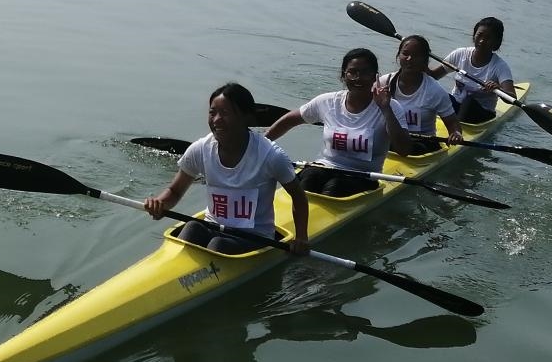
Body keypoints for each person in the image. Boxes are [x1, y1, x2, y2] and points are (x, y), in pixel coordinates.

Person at [144, 83, 310, 256]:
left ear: (246, 118)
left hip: (255, 237)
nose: (216, 120)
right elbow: (175, 191)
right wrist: (160, 204)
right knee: (192, 227)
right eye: (212, 112)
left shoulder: (271, 155)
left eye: (225, 113)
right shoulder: (200, 149)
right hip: (214, 227)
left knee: (218, 245)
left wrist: (301, 238)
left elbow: (298, 197)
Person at [265, 48, 411, 197]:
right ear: (343, 76)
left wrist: (385, 109)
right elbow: (290, 120)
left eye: (365, 72)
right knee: (308, 178)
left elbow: (403, 150)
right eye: (352, 72)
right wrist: (261, 144)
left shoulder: (391, 106)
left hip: (364, 176)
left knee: (334, 187)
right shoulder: (328, 101)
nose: (358, 78)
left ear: (375, 77)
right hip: (324, 168)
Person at [379, 35, 463, 154]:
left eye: (416, 56)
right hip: (391, 139)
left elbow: (453, 124)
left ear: (425, 60)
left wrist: (456, 134)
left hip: (422, 144)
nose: (409, 59)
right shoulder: (384, 82)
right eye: (405, 54)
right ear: (399, 56)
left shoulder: (434, 90)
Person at [429, 17, 515, 124]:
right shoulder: (460, 54)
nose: (482, 41)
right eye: (479, 35)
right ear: (474, 36)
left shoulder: (500, 66)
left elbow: (511, 97)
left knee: (468, 101)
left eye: (488, 38)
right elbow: (433, 76)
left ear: (496, 43)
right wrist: (420, 64)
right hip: (456, 106)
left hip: (482, 113)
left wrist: (498, 89)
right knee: (437, 93)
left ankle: (456, 132)